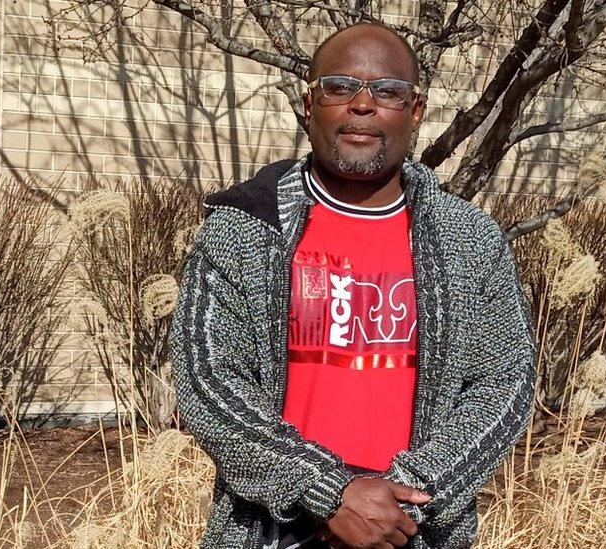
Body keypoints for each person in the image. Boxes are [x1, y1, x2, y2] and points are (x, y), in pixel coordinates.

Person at [172, 22, 536, 549]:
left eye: (388, 91)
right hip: (274, 532)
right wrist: (329, 492)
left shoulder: (469, 238)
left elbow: (505, 382)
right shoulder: (246, 227)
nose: (362, 105)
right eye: (339, 86)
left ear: (415, 111)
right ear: (308, 104)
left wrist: (409, 494)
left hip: (414, 531)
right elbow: (209, 382)